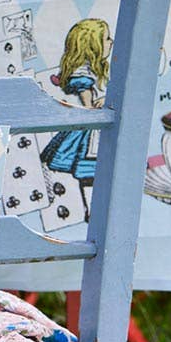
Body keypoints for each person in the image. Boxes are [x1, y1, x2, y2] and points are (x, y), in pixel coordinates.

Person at [40, 18, 111, 222]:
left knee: (96, 174)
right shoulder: (83, 73)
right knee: (91, 171)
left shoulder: (96, 69)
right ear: (93, 44)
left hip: (94, 131)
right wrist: (105, 101)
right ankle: (92, 210)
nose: (111, 42)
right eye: (106, 39)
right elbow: (88, 106)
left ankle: (95, 209)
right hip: (90, 135)